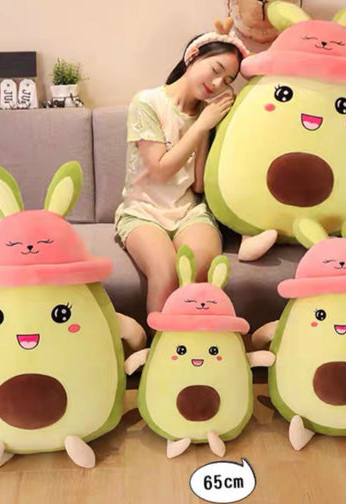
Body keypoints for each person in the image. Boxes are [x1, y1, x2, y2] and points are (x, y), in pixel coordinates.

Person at [115, 23, 249, 315]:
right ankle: (161, 343)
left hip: (189, 211)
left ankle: (194, 340)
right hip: (143, 211)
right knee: (165, 273)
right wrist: (201, 125)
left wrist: (206, 126)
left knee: (196, 269)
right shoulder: (147, 102)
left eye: (227, 80)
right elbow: (161, 170)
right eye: (215, 70)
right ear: (193, 56)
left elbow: (198, 186)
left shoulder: (206, 114)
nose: (217, 83)